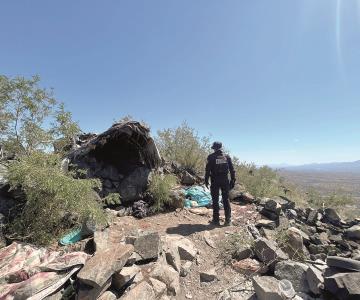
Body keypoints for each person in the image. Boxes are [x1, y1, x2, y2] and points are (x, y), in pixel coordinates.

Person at [205, 141, 236, 226]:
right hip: (225, 180)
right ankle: (228, 220)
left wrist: (206, 180)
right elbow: (232, 170)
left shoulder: (211, 157)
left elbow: (207, 170)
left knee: (215, 200)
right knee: (226, 199)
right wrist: (233, 180)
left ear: (214, 148)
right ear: (221, 147)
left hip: (215, 180)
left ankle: (216, 220)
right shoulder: (227, 157)